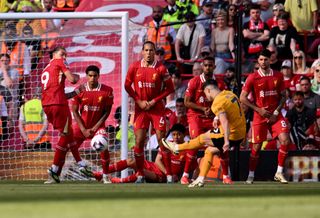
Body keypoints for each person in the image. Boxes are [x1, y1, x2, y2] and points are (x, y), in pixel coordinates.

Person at [162, 79, 246, 187]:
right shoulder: (229, 94)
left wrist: (226, 141)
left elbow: (224, 123)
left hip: (231, 135)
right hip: (240, 133)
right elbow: (231, 111)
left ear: (208, 90)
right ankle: (201, 178)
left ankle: (177, 148)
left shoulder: (217, 103)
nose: (206, 97)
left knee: (201, 138)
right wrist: (216, 118)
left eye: (205, 93)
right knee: (209, 151)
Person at [124, 41, 175, 183]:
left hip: (157, 109)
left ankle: (169, 175)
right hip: (140, 109)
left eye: (151, 50)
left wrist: (154, 101)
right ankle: (140, 174)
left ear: (154, 53)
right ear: (142, 52)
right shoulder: (134, 67)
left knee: (161, 140)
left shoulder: (161, 69)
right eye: (146, 50)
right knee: (139, 142)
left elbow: (170, 89)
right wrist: (138, 100)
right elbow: (127, 85)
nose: (148, 53)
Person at [41, 46, 91, 183]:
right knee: (67, 135)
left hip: (47, 106)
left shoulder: (45, 69)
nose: (64, 57)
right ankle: (76, 164)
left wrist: (75, 93)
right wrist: (77, 76)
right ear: (54, 55)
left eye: (66, 55)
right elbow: (73, 79)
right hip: (59, 105)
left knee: (66, 135)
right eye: (62, 54)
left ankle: (57, 170)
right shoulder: (59, 62)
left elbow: (59, 93)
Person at [240, 49, 291, 184]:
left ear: (270, 60)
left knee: (285, 140)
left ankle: (279, 172)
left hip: (275, 115)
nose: (263, 62)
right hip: (259, 115)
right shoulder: (252, 77)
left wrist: (275, 112)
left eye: (266, 59)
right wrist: (258, 110)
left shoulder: (278, 75)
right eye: (261, 59)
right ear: (258, 61)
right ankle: (251, 174)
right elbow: (242, 98)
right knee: (256, 148)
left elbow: (283, 96)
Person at [93, 124, 188, 183]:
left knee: (142, 173)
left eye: (178, 134)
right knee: (130, 160)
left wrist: (182, 178)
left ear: (184, 135)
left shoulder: (187, 148)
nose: (176, 137)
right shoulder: (168, 144)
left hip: (162, 176)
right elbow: (157, 161)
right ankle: (102, 173)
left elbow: (190, 166)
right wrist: (169, 174)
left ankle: (118, 181)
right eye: (174, 134)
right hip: (158, 169)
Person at [70, 65, 114, 184]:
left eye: (95, 76)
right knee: (67, 145)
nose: (92, 78)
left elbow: (107, 111)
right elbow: (74, 110)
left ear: (98, 76)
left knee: (103, 148)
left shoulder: (107, 91)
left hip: (98, 126)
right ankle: (56, 172)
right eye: (90, 76)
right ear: (86, 76)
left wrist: (95, 128)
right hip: (81, 126)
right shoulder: (80, 90)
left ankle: (105, 175)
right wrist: (83, 129)